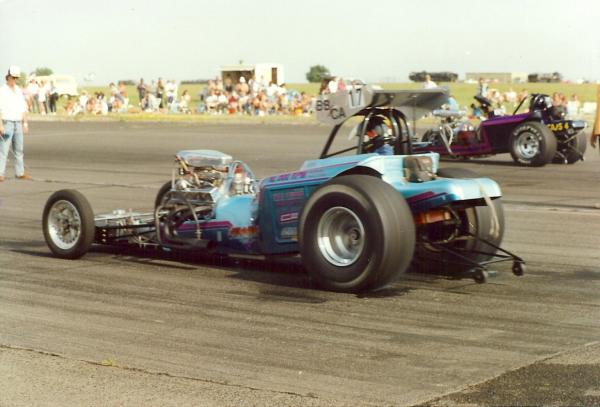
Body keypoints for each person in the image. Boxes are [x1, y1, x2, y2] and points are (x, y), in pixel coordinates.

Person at [0, 66, 32, 181]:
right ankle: (0, 173)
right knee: (3, 150)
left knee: (19, 149)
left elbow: (23, 108)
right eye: (13, 77)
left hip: (18, 123)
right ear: (8, 76)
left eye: (16, 78)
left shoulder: (18, 90)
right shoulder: (2, 90)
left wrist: (25, 124)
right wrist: (0, 125)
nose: (14, 80)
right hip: (7, 122)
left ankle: (20, 173)